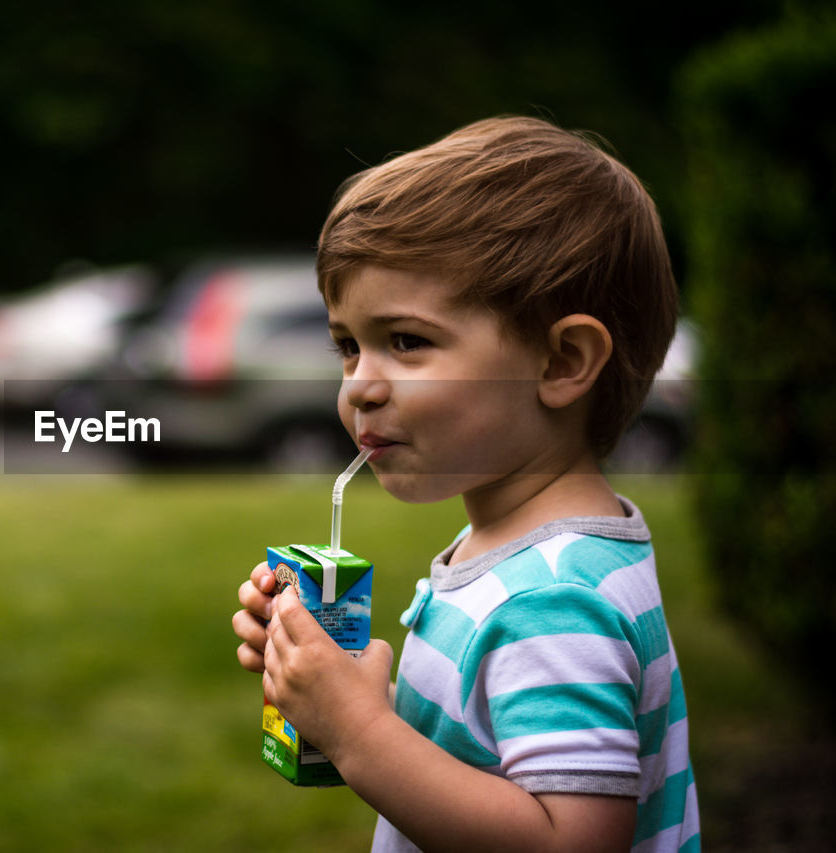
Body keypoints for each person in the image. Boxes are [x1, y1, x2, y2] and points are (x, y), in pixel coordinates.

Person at [231, 116, 699, 852]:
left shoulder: (553, 598)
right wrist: (332, 691)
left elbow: (566, 839)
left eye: (406, 342)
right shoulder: (526, 552)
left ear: (562, 362)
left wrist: (358, 732)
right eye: (348, 346)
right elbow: (488, 753)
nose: (360, 387)